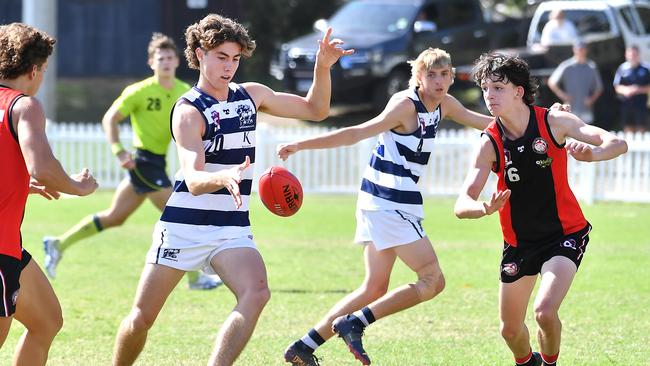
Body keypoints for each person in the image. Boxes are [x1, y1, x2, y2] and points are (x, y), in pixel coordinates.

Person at [111, 14, 353, 366]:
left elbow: (316, 109)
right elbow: (193, 179)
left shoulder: (250, 96)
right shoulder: (189, 110)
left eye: (235, 59)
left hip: (230, 227)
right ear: (199, 54)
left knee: (256, 292)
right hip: (184, 228)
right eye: (221, 57)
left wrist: (323, 65)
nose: (229, 67)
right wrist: (222, 176)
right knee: (142, 318)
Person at [278, 48, 496, 366]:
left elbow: (489, 124)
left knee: (374, 287)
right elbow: (356, 132)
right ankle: (355, 323)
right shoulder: (404, 105)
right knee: (432, 280)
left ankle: (303, 346)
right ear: (418, 77)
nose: (439, 80)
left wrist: (543, 122)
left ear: (451, 77)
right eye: (431, 74)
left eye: (444, 74)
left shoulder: (446, 104)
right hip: (387, 201)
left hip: (386, 201)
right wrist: (301, 144)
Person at [454, 53, 627, 366]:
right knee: (509, 331)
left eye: (497, 88)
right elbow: (462, 202)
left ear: (518, 91)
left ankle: (550, 363)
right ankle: (528, 362)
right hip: (519, 244)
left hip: (564, 234)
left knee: (544, 311)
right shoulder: (490, 141)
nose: (489, 96)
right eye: (485, 89)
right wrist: (483, 209)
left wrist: (593, 155)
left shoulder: (554, 121)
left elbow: (616, 142)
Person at [42, 33, 221, 289]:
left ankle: (58, 244)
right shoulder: (139, 91)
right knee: (183, 213)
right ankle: (195, 278)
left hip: (157, 163)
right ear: (151, 62)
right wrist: (118, 151)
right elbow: (110, 118)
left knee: (114, 217)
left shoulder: (185, 92)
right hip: (143, 163)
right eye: (161, 58)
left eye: (170, 57)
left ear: (177, 62)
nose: (166, 62)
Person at [0, 23, 98, 365]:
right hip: (0, 251)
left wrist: (18, 183)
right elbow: (43, 166)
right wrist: (78, 186)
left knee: (46, 321)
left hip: (10, 248)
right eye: (43, 71)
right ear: (33, 69)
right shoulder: (24, 106)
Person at [548, 40, 602, 124]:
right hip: (570, 109)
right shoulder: (566, 66)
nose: (581, 51)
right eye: (579, 49)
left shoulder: (591, 66)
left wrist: (591, 99)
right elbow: (551, 82)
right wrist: (563, 95)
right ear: (574, 50)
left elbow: (599, 88)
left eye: (582, 49)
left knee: (586, 134)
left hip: (586, 109)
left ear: (586, 50)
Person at [613, 45, 650, 133]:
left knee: (641, 131)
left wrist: (638, 89)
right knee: (628, 131)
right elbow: (617, 86)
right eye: (630, 54)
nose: (632, 56)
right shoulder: (622, 68)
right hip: (626, 106)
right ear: (626, 55)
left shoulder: (646, 68)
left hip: (641, 106)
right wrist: (626, 90)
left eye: (635, 54)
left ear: (638, 55)